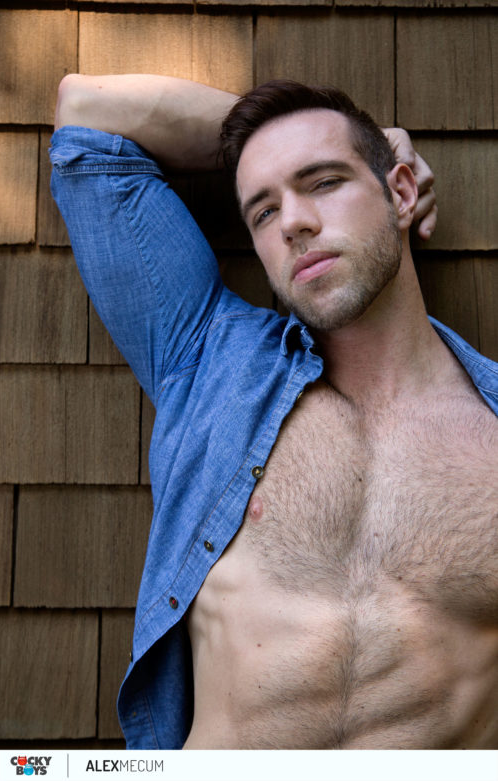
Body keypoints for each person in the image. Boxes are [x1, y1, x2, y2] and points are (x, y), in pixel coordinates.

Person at [50, 75, 498, 750]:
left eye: (324, 182)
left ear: (402, 193)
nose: (293, 222)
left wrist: (366, 145)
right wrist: (335, 141)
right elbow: (87, 112)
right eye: (262, 211)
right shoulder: (208, 360)